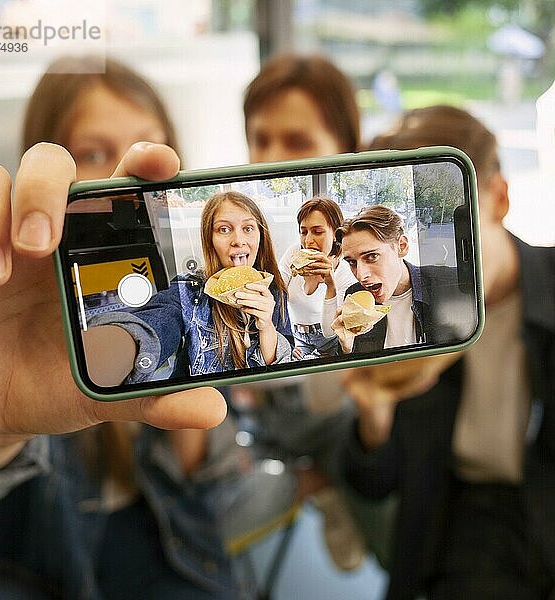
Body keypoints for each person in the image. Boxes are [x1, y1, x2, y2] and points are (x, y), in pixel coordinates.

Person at [0, 55, 251, 600]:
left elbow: (219, 489)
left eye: (149, 144)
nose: (127, 174)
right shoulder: (5, 315)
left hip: (184, 563)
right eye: (93, 153)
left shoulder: (192, 291)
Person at [341, 105, 555, 599]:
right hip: (463, 519)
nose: (435, 251)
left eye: (445, 219)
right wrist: (374, 419)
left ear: (498, 199)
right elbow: (375, 482)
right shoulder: (392, 318)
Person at [235, 51, 391, 573]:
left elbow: (352, 337)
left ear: (344, 149)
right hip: (255, 407)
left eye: (297, 142)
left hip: (330, 406)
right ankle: (316, 488)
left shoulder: (355, 249)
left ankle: (330, 489)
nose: (271, 156)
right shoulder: (250, 221)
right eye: (260, 139)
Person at [86, 190, 293, 384]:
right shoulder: (189, 291)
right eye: (224, 229)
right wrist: (105, 354)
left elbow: (283, 367)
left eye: (248, 228)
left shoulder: (275, 291)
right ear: (209, 240)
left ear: (260, 236)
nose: (238, 240)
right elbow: (155, 325)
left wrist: (266, 327)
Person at [328, 204, 465, 355]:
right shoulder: (355, 296)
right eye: (352, 262)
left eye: (372, 256)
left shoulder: (451, 284)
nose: (361, 275)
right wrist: (346, 349)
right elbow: (358, 372)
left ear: (402, 246)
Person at [278, 196, 356, 359]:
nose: (308, 241)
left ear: (335, 234)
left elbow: (330, 331)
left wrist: (330, 285)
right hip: (297, 336)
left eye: (318, 232)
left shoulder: (345, 272)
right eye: (303, 231)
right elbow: (276, 297)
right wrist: (285, 341)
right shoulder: (293, 254)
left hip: (329, 341)